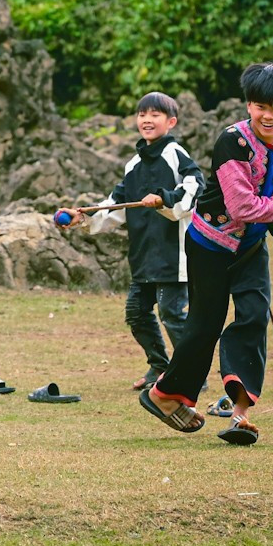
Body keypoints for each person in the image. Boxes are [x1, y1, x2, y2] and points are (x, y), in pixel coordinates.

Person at [141, 63, 273, 446]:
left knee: (255, 316)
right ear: (248, 105)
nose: (268, 115)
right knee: (204, 326)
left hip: (252, 246)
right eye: (260, 105)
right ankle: (163, 394)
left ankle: (240, 414)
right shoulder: (232, 142)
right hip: (210, 245)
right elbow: (241, 207)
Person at [56, 92, 205, 392]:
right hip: (143, 256)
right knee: (137, 313)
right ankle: (159, 367)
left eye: (155, 114)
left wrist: (164, 199)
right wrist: (82, 218)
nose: (147, 119)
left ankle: (192, 373)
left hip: (173, 257)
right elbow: (115, 206)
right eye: (142, 114)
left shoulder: (176, 154)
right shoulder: (133, 164)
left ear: (171, 121)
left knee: (173, 316)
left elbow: (194, 186)